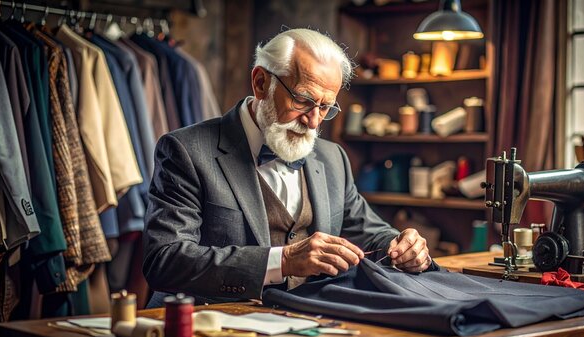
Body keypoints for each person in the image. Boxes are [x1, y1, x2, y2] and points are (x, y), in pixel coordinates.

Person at [143, 28, 433, 307]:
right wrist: (283, 261)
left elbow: (366, 230)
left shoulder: (333, 157)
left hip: (310, 327)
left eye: (325, 107)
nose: (314, 121)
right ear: (260, 83)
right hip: (209, 328)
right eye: (303, 100)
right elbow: (165, 260)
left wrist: (401, 244)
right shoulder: (185, 150)